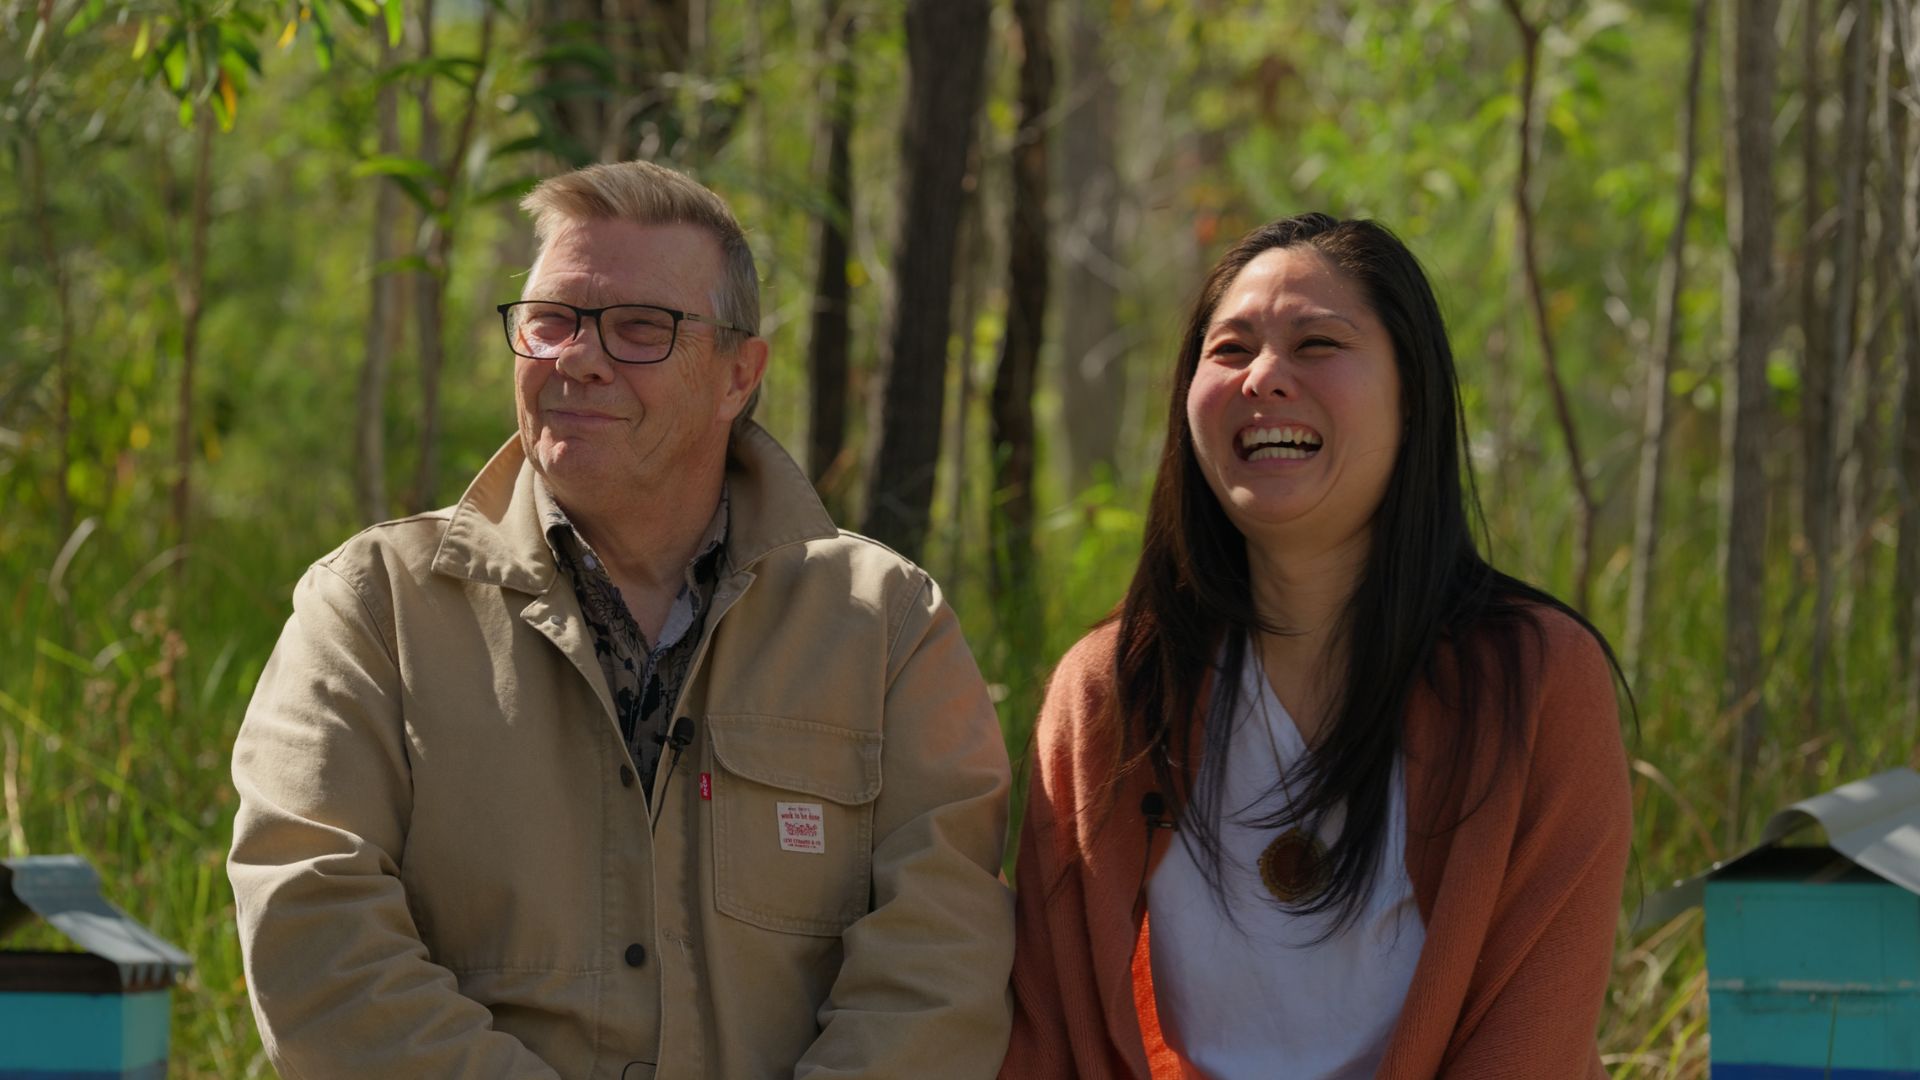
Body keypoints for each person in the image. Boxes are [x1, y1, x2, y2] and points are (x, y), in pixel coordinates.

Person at [228, 160, 1015, 1079]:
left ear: (738, 374)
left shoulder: (886, 629)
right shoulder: (373, 608)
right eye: (550, 321)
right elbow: (312, 929)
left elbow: (941, 962)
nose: (578, 356)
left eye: (640, 328)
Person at [1001, 213, 1631, 1079]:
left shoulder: (1535, 682)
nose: (1264, 377)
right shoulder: (1111, 693)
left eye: (1317, 344)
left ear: (1413, 397)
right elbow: (1049, 1039)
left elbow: (1532, 1042)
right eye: (1229, 350)